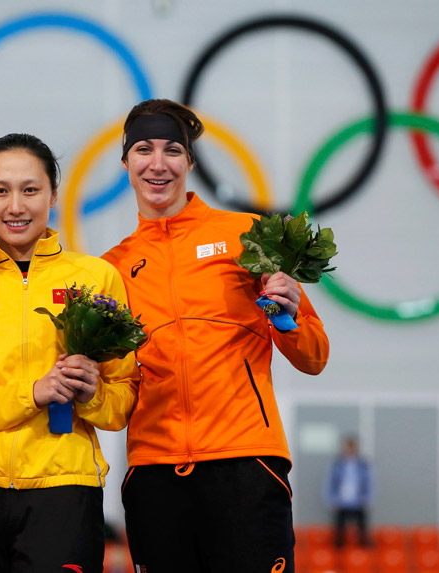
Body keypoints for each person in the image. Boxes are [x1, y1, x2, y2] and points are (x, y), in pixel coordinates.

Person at [101, 98, 330, 573]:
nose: (158, 164)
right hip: (155, 470)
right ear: (125, 162)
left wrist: (286, 319)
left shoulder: (247, 236)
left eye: (172, 150)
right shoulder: (112, 269)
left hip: (246, 461)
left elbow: (314, 356)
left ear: (190, 161)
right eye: (143, 149)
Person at [0, 133, 139, 572]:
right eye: (0, 191)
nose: (15, 206)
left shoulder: (97, 278)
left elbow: (120, 406)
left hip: (64, 491)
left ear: (53, 194)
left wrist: (90, 394)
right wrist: (33, 393)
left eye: (30, 189)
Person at [325, 435, 374, 548]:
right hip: (341, 502)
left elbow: (370, 483)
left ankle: (363, 548)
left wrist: (368, 499)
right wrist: (331, 499)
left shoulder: (363, 464)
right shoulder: (337, 464)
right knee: (339, 530)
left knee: (362, 529)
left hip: (359, 501)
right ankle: (339, 550)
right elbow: (329, 483)